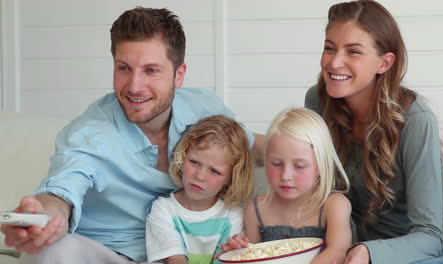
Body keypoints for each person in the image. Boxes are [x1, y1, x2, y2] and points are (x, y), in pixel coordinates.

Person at [0, 7, 262, 264]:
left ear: (178, 75)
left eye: (151, 70)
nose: (135, 87)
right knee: (49, 251)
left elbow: (252, 146)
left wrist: (300, 147)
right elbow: (60, 193)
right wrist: (39, 219)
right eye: (124, 68)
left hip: (178, 256)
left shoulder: (204, 108)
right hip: (107, 253)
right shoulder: (89, 134)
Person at [304, 1, 443, 263]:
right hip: (358, 248)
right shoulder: (317, 101)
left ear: (384, 63)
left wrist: (370, 252)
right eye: (329, 48)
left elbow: (430, 236)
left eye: (353, 52)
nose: (335, 63)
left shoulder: (416, 119)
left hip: (442, 250)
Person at [221, 107, 352, 264]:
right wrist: (239, 251)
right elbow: (253, 257)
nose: (286, 176)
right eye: (276, 164)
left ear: (321, 166)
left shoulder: (334, 205)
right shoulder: (256, 209)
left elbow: (337, 252)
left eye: (299, 166)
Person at [146, 114, 254, 264]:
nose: (200, 176)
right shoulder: (163, 209)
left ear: (231, 178)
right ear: (183, 157)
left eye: (215, 171)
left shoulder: (232, 215)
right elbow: (176, 260)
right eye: (194, 162)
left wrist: (232, 253)